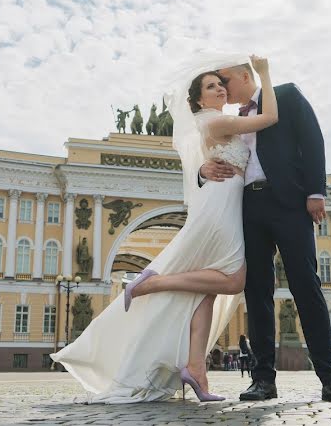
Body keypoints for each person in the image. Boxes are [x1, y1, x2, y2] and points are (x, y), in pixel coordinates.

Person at [51, 55, 279, 403]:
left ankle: (195, 369)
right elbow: (271, 118)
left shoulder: (212, 122)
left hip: (222, 204)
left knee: (205, 291)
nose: (219, 88)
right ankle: (153, 282)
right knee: (234, 280)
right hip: (220, 209)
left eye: (221, 84)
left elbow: (202, 165)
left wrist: (203, 169)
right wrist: (263, 72)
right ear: (199, 100)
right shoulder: (217, 123)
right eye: (211, 86)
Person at [199, 61, 331, 403]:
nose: (222, 87)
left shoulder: (284, 95)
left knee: (306, 286)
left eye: (224, 80)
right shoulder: (232, 119)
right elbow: (207, 155)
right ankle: (263, 380)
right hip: (249, 206)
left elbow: (312, 139)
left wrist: (316, 192)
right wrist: (204, 167)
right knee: (257, 292)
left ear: (245, 75)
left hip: (289, 203)